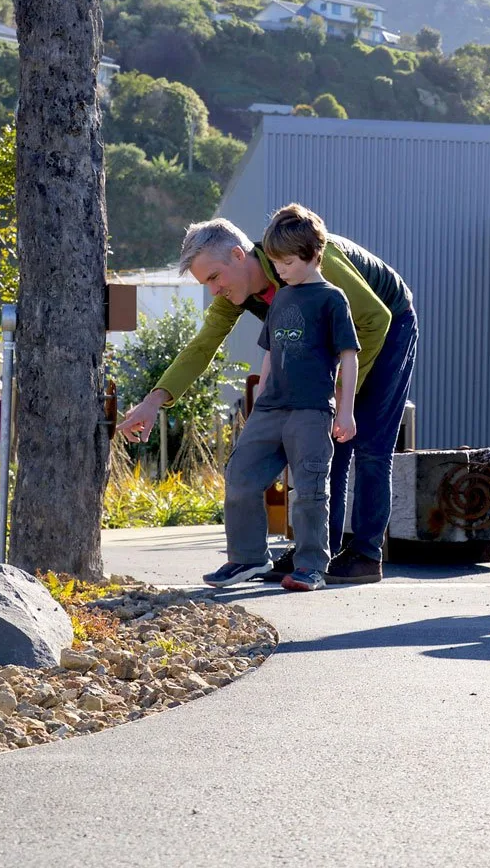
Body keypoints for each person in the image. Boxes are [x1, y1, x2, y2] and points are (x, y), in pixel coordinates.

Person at [117, 214, 418, 585]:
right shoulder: (236, 296)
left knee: (369, 443)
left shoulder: (309, 261)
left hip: (387, 326)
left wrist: (343, 395)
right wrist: (152, 401)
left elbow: (375, 319)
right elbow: (203, 345)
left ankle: (366, 554)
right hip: (339, 342)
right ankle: (319, 551)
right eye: (205, 283)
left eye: (214, 277)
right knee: (328, 448)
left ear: (239, 256)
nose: (213, 290)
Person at [202, 204, 359, 593]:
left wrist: (346, 412)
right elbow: (270, 353)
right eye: (275, 262)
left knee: (308, 491)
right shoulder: (282, 299)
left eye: (287, 262)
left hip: (310, 411)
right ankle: (247, 558)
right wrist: (258, 403)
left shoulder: (332, 299)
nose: (281, 269)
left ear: (312, 255)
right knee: (239, 478)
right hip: (271, 409)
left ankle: (310, 566)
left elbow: (349, 357)